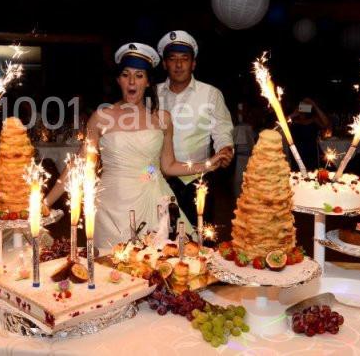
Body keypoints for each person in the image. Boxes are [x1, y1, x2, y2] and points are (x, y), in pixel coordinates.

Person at [45, 43, 223, 249]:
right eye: (126, 75)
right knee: (111, 271)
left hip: (151, 201)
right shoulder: (101, 118)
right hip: (110, 206)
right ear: (118, 80)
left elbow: (167, 166)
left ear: (148, 82)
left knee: (156, 267)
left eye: (139, 75)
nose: (132, 81)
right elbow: (80, 164)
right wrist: (46, 202)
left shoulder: (162, 119)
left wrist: (208, 164)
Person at [155, 31, 234, 225]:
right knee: (158, 244)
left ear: (193, 63)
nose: (179, 64)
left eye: (185, 58)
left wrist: (225, 149)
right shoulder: (152, 93)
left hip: (197, 180)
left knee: (200, 243)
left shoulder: (211, 94)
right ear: (165, 64)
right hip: (158, 180)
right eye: (172, 59)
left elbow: (222, 130)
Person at [288, 97, 331, 170]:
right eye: (302, 105)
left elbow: (326, 123)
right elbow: (280, 124)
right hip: (296, 152)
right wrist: (294, 114)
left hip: (312, 152)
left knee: (312, 173)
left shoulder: (314, 120)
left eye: (306, 105)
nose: (303, 107)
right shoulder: (293, 121)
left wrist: (314, 105)